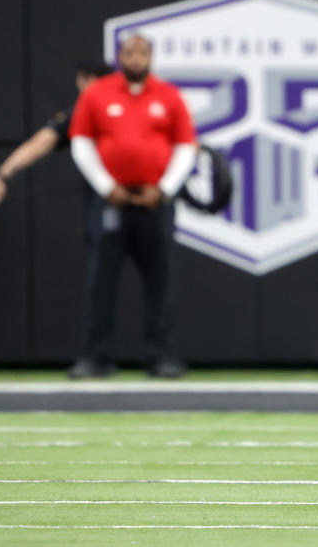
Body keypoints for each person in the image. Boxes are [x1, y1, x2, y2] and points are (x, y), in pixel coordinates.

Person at [68, 33, 197, 379]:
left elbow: (186, 146)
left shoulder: (169, 96)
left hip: (155, 201)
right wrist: (106, 186)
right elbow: (81, 143)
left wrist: (166, 188)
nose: (136, 58)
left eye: (142, 52)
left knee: (161, 282)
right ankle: (94, 358)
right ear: (119, 57)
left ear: (151, 57)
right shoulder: (98, 93)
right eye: (129, 52)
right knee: (101, 282)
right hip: (112, 200)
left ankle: (161, 357)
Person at [0, 62, 114, 207]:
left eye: (81, 82)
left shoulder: (94, 108)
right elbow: (43, 141)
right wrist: (1, 175)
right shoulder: (82, 113)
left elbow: (41, 142)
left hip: (116, 199)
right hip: (108, 196)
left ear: (91, 80)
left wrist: (1, 175)